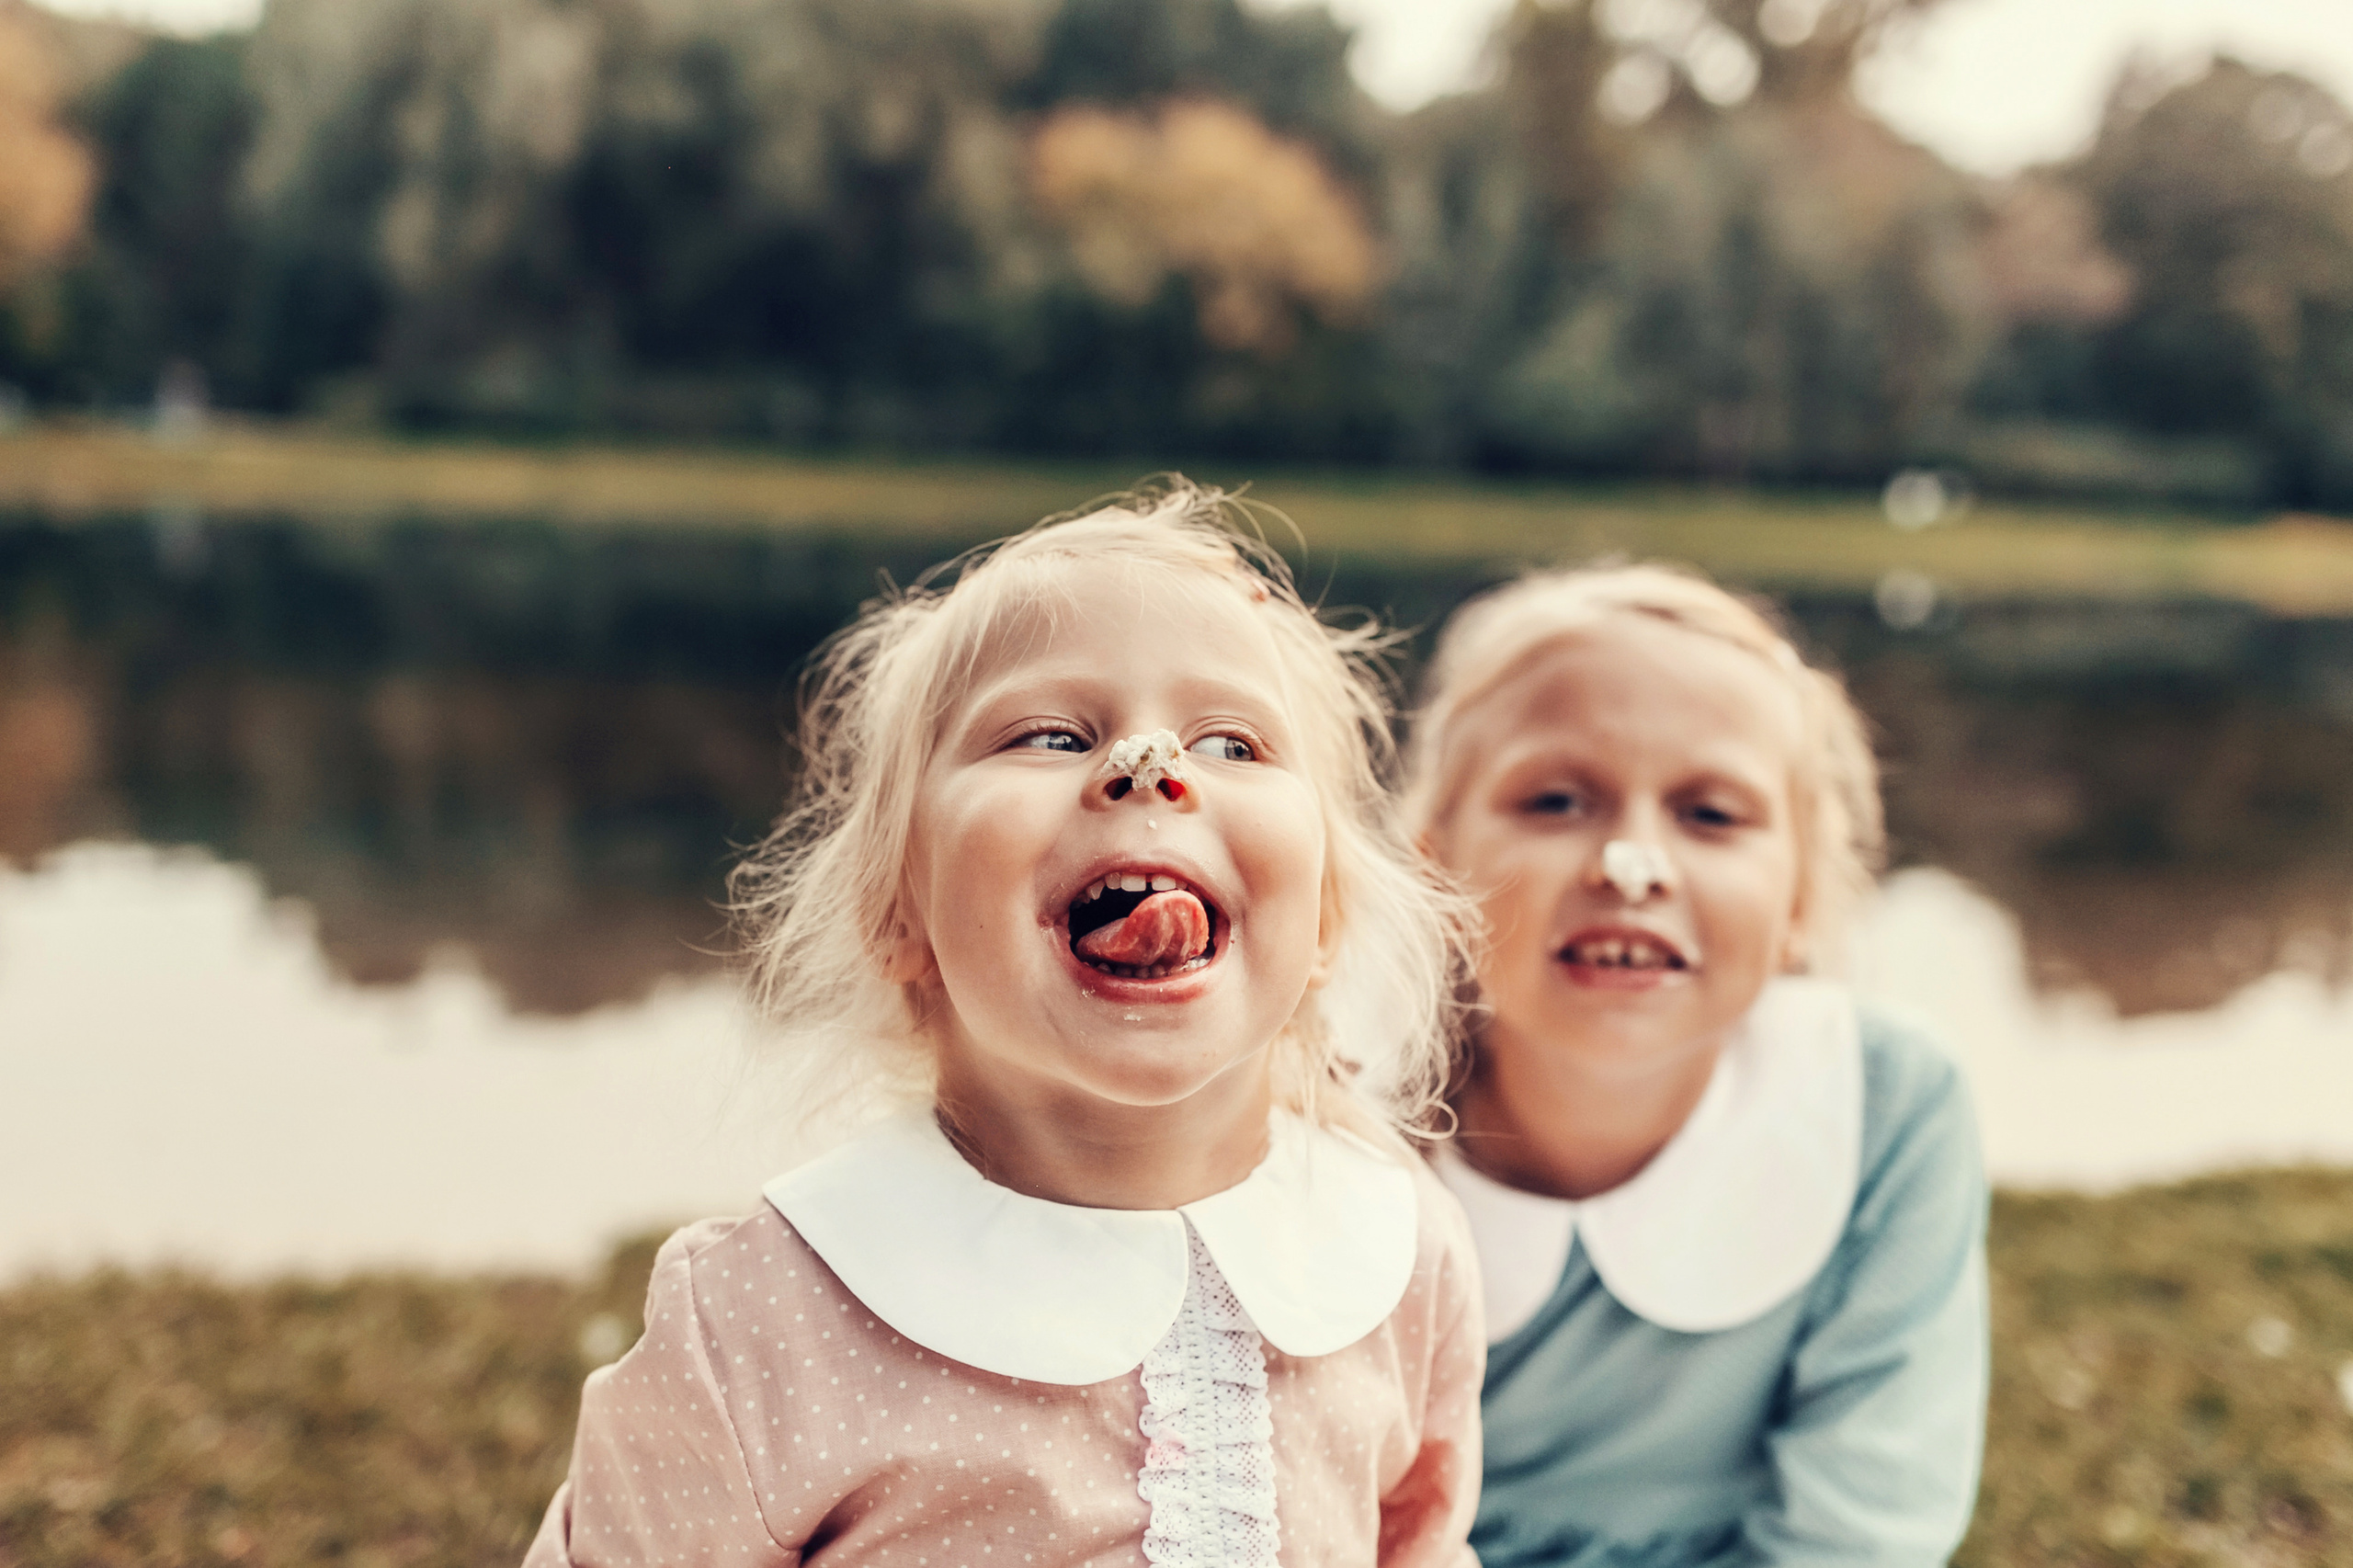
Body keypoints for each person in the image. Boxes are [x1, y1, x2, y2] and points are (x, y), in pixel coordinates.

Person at [523, 481, 1485, 1568]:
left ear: (1324, 922)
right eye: (1051, 733)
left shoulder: (1396, 1252)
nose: (1149, 765)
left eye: (1229, 743)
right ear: (897, 913)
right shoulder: (763, 1316)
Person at [1403, 564, 1987, 1568]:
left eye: (1710, 814)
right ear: (1432, 861)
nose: (1631, 864)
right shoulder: (1320, 1098)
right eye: (1556, 800)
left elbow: (1862, 1531)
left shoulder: (1889, 1105)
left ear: (1800, 894)